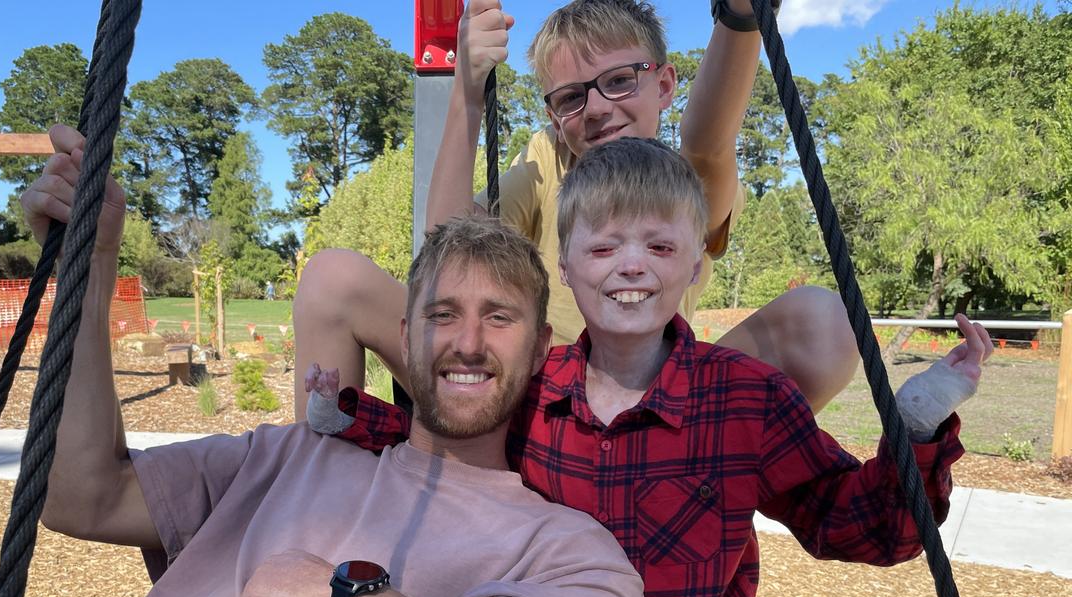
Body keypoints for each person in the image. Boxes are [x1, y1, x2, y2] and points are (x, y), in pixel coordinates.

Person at [0, 125, 665, 597]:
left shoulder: (556, 537)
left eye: (499, 318)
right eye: (442, 315)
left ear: (542, 344)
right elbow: (83, 500)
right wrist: (92, 268)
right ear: (405, 332)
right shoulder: (293, 454)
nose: (466, 342)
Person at [305, 137, 993, 597]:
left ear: (695, 263)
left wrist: (915, 429)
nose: (632, 265)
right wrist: (346, 414)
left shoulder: (745, 398)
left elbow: (856, 526)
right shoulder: (533, 390)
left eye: (660, 246)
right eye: (604, 248)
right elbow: (439, 441)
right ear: (566, 268)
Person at [291, 0, 858, 421]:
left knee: (824, 321)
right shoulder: (548, 159)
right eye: (571, 98)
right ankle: (320, 499)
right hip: (534, 402)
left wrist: (738, 18)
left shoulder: (679, 179)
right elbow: (450, 254)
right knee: (332, 279)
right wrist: (468, 91)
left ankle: (704, 467)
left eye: (619, 82)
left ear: (663, 85)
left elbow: (708, 142)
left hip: (655, 400)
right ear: (555, 112)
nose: (597, 109)